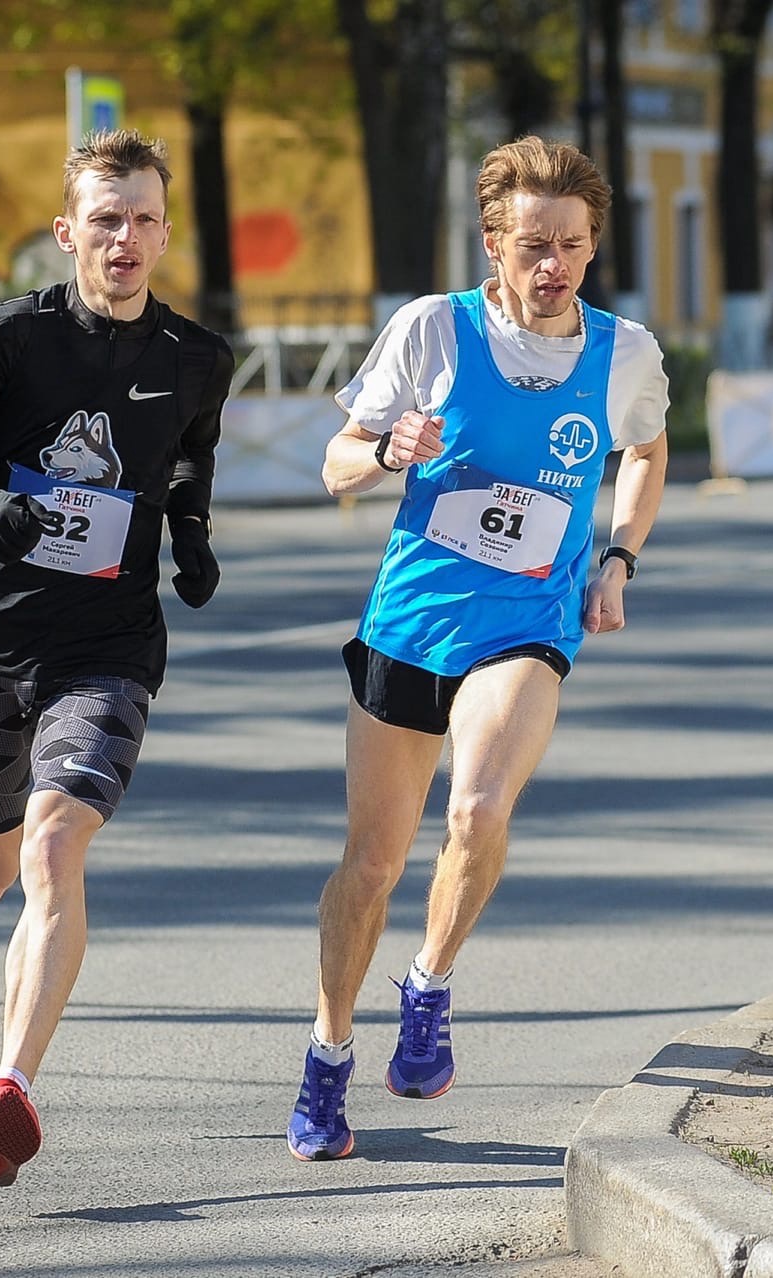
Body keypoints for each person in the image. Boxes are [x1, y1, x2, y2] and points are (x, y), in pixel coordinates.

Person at [286, 135, 670, 1161]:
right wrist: (381, 449)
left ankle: (430, 985)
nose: (556, 266)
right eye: (535, 244)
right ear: (494, 242)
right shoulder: (433, 331)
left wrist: (620, 555)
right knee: (370, 865)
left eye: (575, 246)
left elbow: (646, 449)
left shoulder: (622, 351)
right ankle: (328, 1058)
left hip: (527, 624)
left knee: (479, 807)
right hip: (412, 620)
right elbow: (332, 466)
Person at [0, 129, 233, 1188]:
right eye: (104, 219)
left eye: (142, 219)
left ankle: (11, 1088)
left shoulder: (194, 359)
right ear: (67, 232)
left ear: (166, 232)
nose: (124, 239)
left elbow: (186, 460)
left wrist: (191, 541)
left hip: (110, 649)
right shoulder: (10, 340)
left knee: (52, 850)